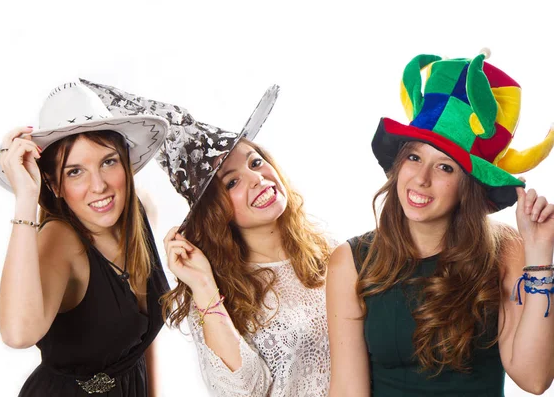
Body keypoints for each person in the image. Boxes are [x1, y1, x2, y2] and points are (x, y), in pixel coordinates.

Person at [326, 50, 554, 396]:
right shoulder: (352, 261)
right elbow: (347, 389)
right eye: (414, 157)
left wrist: (540, 258)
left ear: (469, 186)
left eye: (445, 167)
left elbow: (534, 379)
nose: (421, 179)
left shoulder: (506, 251)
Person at [94, 81, 332, 396]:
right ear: (214, 211)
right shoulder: (218, 292)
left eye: (255, 162)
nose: (257, 179)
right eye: (232, 182)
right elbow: (243, 390)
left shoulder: (328, 252)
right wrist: (204, 286)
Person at [0, 81, 171, 396]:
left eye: (108, 162)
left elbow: (141, 343)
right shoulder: (60, 240)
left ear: (126, 164)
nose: (98, 186)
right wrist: (25, 198)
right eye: (75, 172)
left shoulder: (141, 212)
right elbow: (17, 334)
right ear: (55, 185)